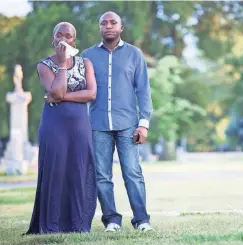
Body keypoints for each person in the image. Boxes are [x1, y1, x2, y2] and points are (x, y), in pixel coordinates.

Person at [81, 11, 153, 232]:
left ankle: (142, 220)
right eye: (104, 23)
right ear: (99, 28)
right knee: (102, 176)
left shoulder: (134, 54)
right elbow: (80, 89)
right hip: (97, 125)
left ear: (121, 28)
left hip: (128, 125)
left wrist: (143, 123)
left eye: (113, 23)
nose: (108, 26)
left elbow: (143, 90)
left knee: (132, 173)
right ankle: (111, 220)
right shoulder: (87, 56)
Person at [25, 22, 97, 234]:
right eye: (59, 35)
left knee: (79, 170)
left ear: (75, 40)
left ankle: (79, 224)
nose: (64, 39)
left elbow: (91, 94)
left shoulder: (86, 63)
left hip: (80, 126)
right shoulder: (44, 65)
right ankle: (52, 225)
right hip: (54, 126)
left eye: (69, 36)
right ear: (53, 39)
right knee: (55, 171)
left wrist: (62, 97)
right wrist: (63, 65)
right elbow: (55, 92)